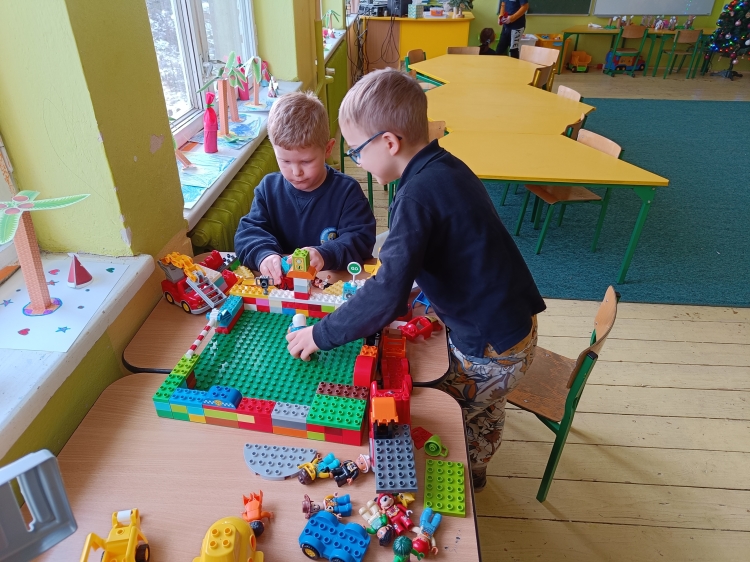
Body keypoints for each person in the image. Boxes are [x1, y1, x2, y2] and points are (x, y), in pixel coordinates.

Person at [286, 69, 546, 492]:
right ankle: (480, 460)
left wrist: (320, 334)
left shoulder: (415, 197)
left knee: (427, 406)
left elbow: (387, 294)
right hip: (515, 332)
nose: (357, 162)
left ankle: (460, 475)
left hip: (490, 352)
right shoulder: (445, 166)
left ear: (389, 142)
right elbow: (448, 251)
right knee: (484, 402)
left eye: (356, 151)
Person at [234, 91, 376, 283]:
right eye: (285, 161)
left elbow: (361, 240)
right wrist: (264, 255)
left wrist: (324, 254)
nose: (296, 172)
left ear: (327, 149)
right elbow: (248, 233)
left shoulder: (347, 192)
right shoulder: (268, 189)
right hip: (283, 287)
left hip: (329, 286)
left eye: (306, 161)